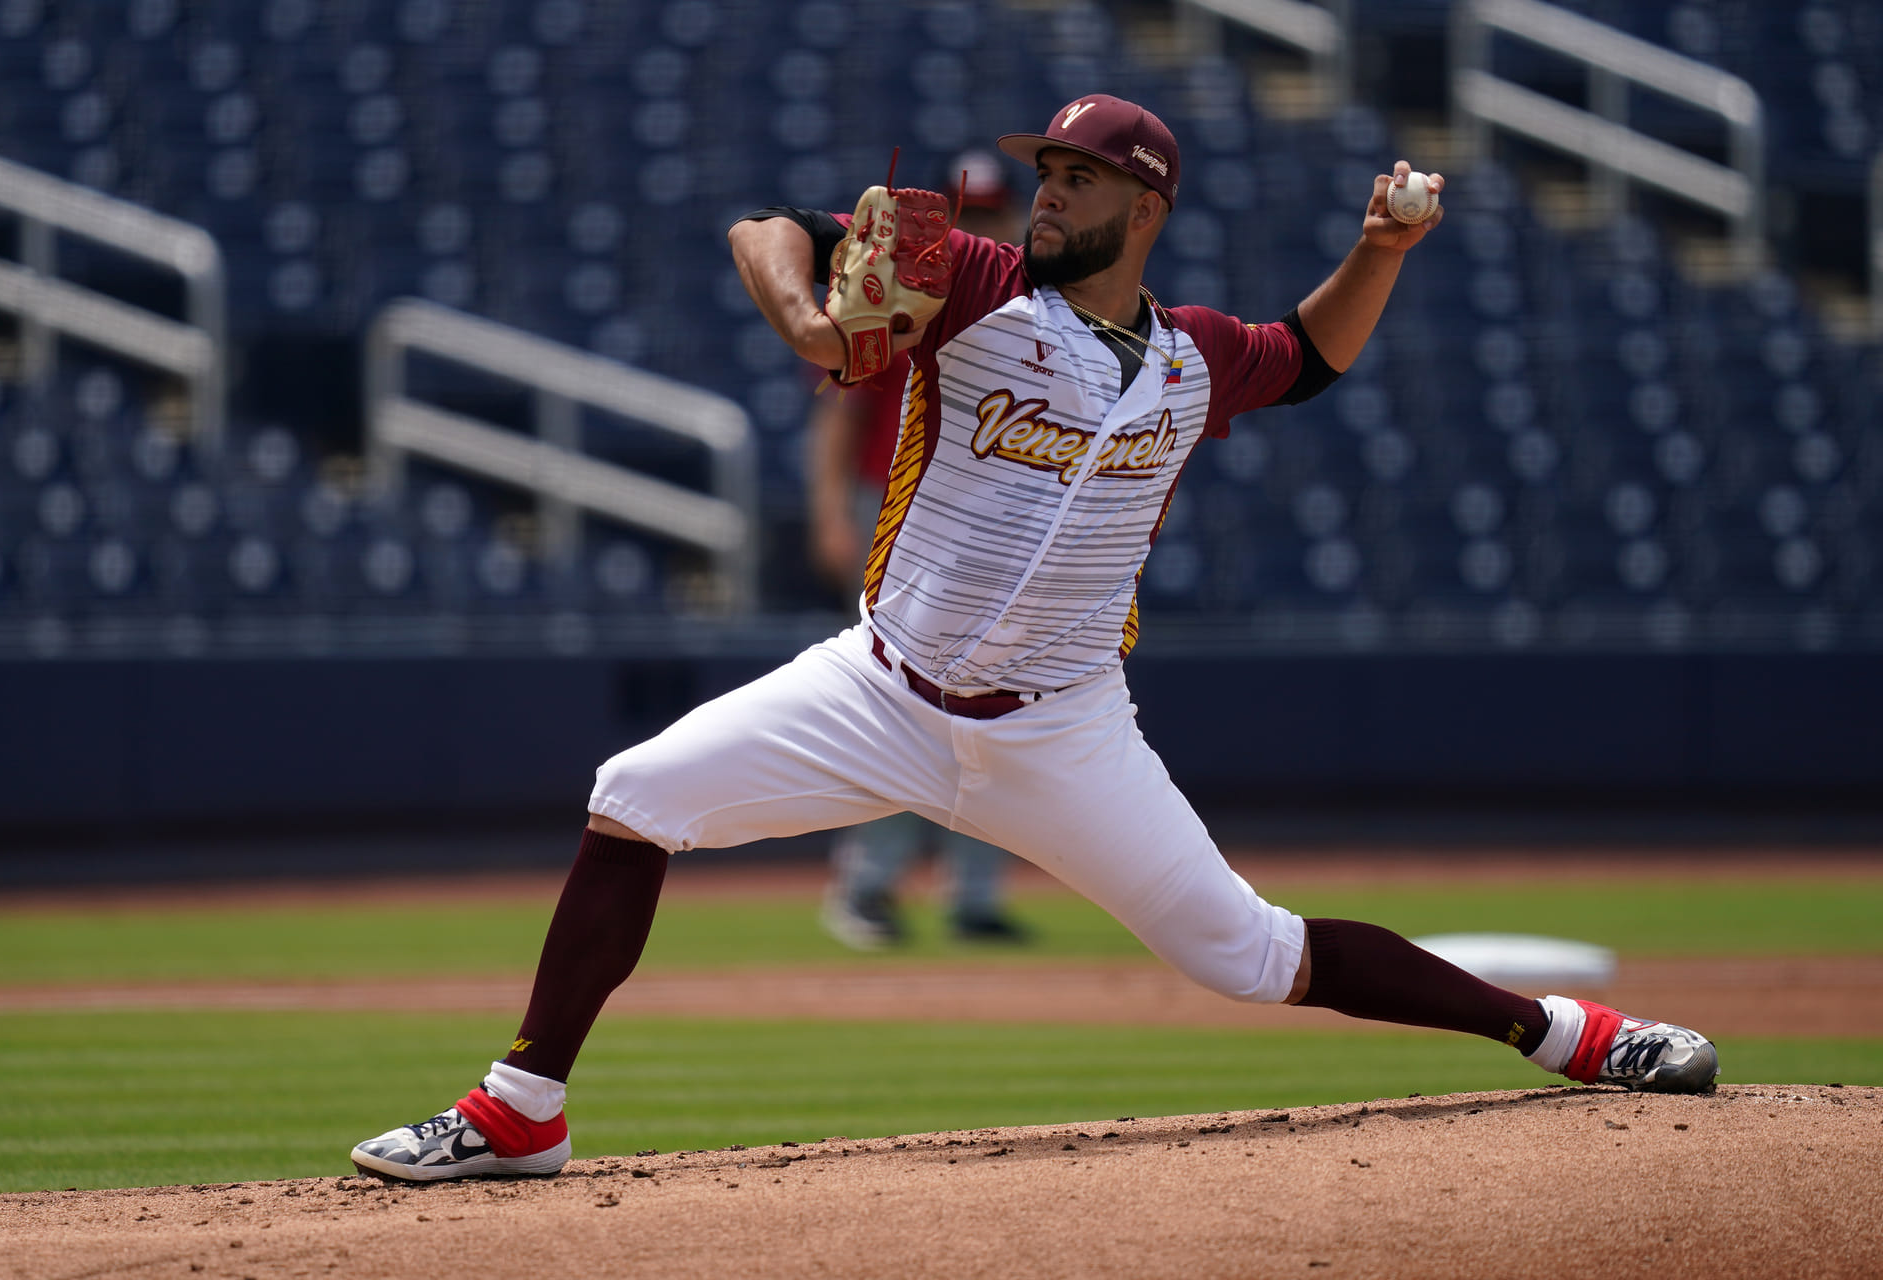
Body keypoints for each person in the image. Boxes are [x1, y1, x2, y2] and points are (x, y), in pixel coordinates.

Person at [350, 93, 1718, 1182]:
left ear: (1146, 203)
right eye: (1046, 169)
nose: (1048, 188)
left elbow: (1306, 359)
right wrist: (814, 320)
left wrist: (1381, 250)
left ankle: (1575, 1038)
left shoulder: (1191, 357)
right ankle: (521, 1110)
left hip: (1065, 726)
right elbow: (767, 221)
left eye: (1075, 174)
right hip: (876, 690)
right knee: (635, 795)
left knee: (1247, 955)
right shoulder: (975, 282)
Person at [804, 151, 1032, 948]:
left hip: (987, 523)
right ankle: (865, 887)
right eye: (972, 213)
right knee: (903, 712)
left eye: (997, 212)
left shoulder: (1028, 309)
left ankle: (975, 896)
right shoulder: (898, 298)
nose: (985, 228)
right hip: (894, 517)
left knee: (991, 716)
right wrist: (833, 515)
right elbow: (838, 415)